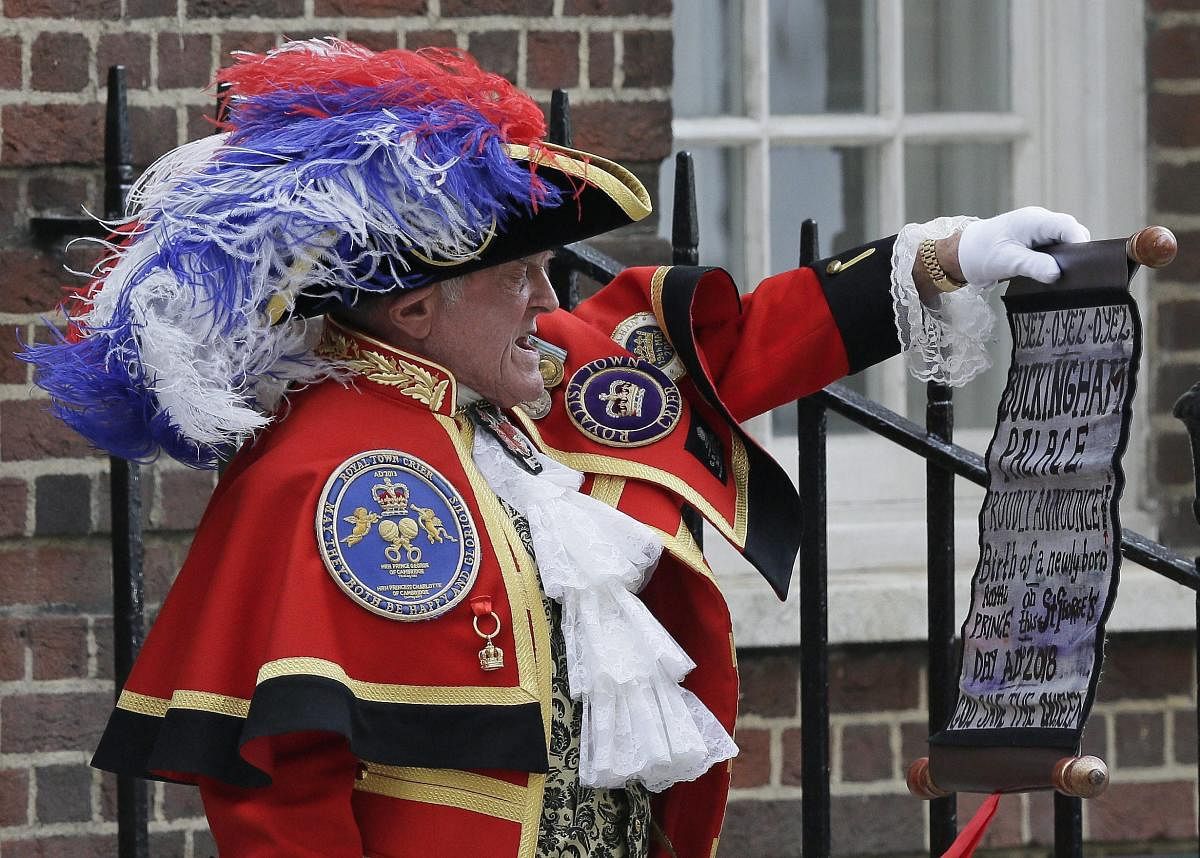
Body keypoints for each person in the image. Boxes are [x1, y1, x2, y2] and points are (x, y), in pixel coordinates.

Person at [23, 39, 1089, 858]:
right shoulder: (322, 466)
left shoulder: (532, 381)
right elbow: (274, 786)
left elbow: (730, 351)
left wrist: (946, 259)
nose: (549, 296)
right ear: (415, 309)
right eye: (517, 275)